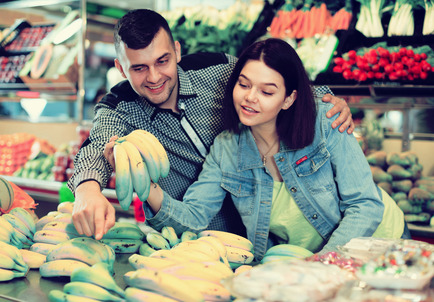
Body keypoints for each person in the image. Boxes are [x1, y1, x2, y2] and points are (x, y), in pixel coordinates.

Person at [68, 9, 355, 240]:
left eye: (162, 61)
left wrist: (324, 98)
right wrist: (88, 190)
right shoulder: (119, 107)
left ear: (177, 51)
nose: (154, 77)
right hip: (201, 240)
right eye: (139, 68)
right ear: (120, 69)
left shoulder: (217, 68)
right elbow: (95, 146)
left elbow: (272, 79)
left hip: (270, 234)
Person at [143, 38, 409, 260]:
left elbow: (364, 205)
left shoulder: (326, 121)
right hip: (308, 265)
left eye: (267, 92)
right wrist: (145, 184)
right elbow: (194, 216)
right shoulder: (226, 149)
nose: (250, 98)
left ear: (289, 98)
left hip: (379, 244)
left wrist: (321, 266)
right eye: (244, 85)